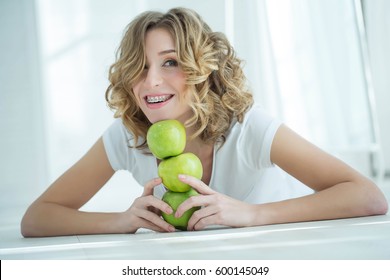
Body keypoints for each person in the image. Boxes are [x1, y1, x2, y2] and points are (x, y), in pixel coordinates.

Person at [21, 7, 388, 237]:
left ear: (203, 70)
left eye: (170, 62)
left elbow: (368, 197)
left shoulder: (247, 128)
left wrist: (252, 214)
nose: (150, 81)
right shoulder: (127, 136)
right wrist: (121, 221)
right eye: (140, 66)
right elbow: (37, 218)